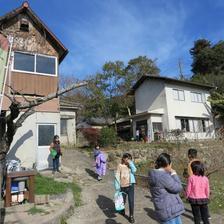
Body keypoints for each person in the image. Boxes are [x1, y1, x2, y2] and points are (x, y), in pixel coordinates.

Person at [149, 153, 184, 224]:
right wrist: (174, 174)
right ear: (168, 164)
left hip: (163, 210)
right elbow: (178, 188)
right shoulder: (163, 176)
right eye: (171, 165)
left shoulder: (154, 174)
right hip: (170, 211)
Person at [114, 153, 137, 223]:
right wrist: (117, 186)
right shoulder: (120, 165)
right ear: (123, 158)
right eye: (126, 158)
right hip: (123, 186)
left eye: (129, 158)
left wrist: (131, 163)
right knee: (123, 200)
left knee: (131, 201)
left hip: (131, 185)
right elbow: (117, 175)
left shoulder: (130, 165)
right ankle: (122, 210)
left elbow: (135, 170)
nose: (128, 160)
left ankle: (131, 216)